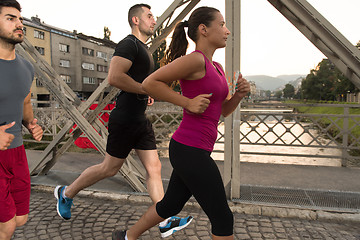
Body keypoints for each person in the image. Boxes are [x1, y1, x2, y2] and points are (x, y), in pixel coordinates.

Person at [112, 6, 250, 240]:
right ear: (204, 29)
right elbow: (149, 83)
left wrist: (237, 96)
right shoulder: (195, 60)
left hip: (195, 148)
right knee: (223, 218)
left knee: (170, 205)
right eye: (222, 24)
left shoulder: (215, 67)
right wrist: (186, 102)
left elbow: (221, 112)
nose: (227, 31)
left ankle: (126, 237)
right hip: (189, 149)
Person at [54, 3, 192, 238]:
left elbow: (137, 82)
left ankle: (164, 219)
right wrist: (143, 88)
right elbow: (115, 77)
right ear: (135, 20)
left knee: (154, 168)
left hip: (139, 118)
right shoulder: (129, 44)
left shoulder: (143, 49)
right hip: (125, 118)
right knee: (109, 168)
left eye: (154, 16)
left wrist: (144, 92)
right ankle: (66, 193)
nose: (154, 20)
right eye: (149, 16)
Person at [0, 1, 44, 239]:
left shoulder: (26, 67)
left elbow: (25, 102)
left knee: (19, 218)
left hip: (16, 153)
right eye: (10, 18)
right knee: (5, 226)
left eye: (20, 19)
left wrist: (31, 124)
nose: (19, 24)